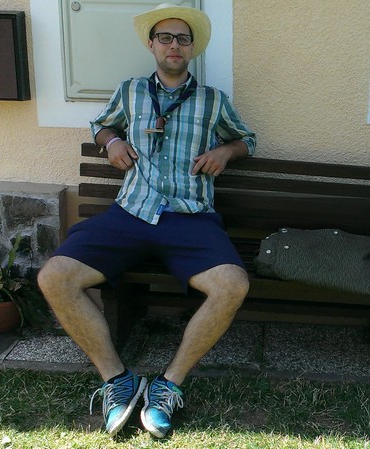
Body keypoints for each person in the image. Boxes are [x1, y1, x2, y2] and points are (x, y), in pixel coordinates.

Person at [37, 3, 256, 439]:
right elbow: (101, 124)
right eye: (166, 38)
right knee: (55, 277)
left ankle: (166, 386)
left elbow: (246, 139)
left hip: (191, 217)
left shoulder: (213, 101)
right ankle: (117, 380)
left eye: (183, 39)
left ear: (192, 48)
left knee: (233, 285)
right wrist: (111, 142)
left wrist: (225, 151)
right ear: (152, 45)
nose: (174, 45)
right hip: (131, 213)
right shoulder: (131, 91)